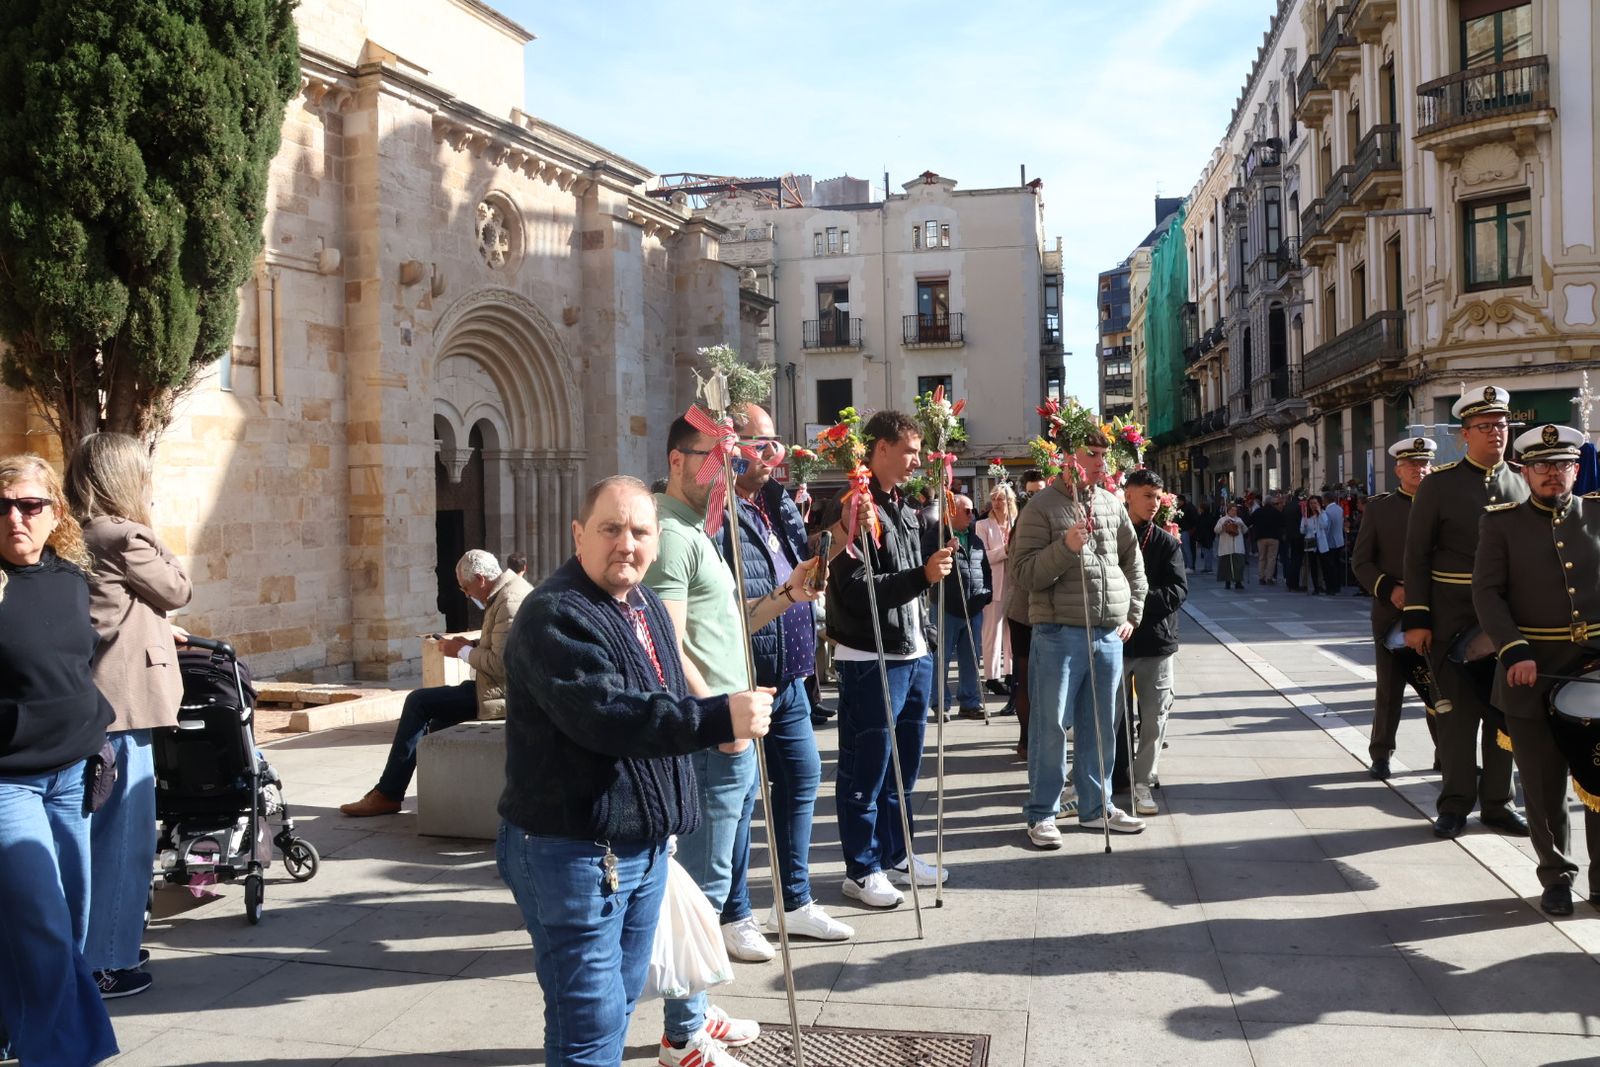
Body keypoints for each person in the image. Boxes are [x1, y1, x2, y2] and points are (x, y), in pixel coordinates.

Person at [497, 475, 774, 1067]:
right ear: (579, 535)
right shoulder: (555, 615)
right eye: (611, 528)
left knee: (611, 1009)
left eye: (640, 531)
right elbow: (609, 716)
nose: (627, 543)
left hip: (640, 852)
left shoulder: (642, 601)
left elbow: (664, 692)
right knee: (591, 1023)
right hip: (573, 853)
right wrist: (717, 717)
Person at [647, 414, 827, 1058]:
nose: (722, 469)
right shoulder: (670, 535)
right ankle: (683, 1036)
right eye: (710, 457)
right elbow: (665, 644)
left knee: (714, 881)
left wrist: (785, 596)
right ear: (675, 459)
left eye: (730, 458)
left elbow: (728, 625)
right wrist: (716, 717)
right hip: (711, 735)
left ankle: (696, 1007)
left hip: (735, 726)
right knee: (700, 887)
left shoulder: (700, 530)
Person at [713, 403, 855, 953]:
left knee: (800, 779)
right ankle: (734, 913)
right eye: (761, 444)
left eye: (777, 444)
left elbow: (802, 560)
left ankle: (794, 901)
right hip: (745, 674)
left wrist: (843, 531)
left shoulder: (775, 500)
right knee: (742, 797)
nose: (773, 456)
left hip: (791, 672)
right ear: (729, 447)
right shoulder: (717, 509)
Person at [0, 454, 120, 1066]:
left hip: (74, 771)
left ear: (55, 514)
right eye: (2, 506)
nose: (15, 518)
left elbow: (75, 660)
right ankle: (68, 1053)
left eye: (29, 505)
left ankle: (13, 1023)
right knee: (43, 919)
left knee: (68, 919)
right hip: (8, 783)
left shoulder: (71, 576)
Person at [67, 433, 193, 1000]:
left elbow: (120, 611)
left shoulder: (80, 534)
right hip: (124, 707)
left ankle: (107, 940)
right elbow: (179, 588)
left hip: (95, 704)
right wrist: (155, 537)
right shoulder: (125, 535)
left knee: (97, 836)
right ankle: (107, 961)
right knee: (124, 838)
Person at [825, 410, 954, 907]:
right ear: (880, 448)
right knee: (868, 766)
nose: (915, 462)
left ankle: (897, 855)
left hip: (912, 648)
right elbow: (855, 590)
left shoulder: (901, 504)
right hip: (870, 653)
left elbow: (914, 572)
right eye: (909, 452)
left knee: (905, 766)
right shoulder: (852, 507)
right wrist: (922, 577)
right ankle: (862, 867)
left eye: (920, 453)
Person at [1473, 423, 1600, 915]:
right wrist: (1513, 650)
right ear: (1524, 472)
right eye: (1542, 466)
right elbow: (1486, 593)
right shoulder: (1501, 523)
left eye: (1562, 464)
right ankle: (1557, 877)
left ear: (1575, 467)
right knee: (1544, 787)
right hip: (1531, 672)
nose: (1553, 474)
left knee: (1598, 781)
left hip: (1592, 673)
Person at [1012, 426, 1148, 848]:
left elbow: (1133, 561)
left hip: (1107, 633)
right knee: (1051, 726)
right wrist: (1065, 547)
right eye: (1090, 453)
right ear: (1069, 456)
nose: (1100, 461)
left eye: (1102, 454)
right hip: (1056, 633)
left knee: (1101, 726)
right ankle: (1042, 814)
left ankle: (1095, 806)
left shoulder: (1110, 502)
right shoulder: (1040, 506)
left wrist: (1133, 612)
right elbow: (1024, 573)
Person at [1403, 384, 1529, 840]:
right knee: (1455, 719)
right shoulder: (1438, 485)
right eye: (1485, 426)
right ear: (1464, 435)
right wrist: (1416, 619)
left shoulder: (1522, 480)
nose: (1496, 433)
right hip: (1451, 618)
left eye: (1502, 425)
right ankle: (1455, 802)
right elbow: (1416, 556)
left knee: (1505, 718)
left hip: (1508, 623)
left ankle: (1498, 803)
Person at [341, 550, 531, 816]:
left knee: (418, 702)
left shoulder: (509, 600)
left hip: (505, 695)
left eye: (467, 588)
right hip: (495, 689)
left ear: (480, 578)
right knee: (438, 725)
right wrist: (472, 645)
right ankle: (432, 798)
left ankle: (388, 793)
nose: (467, 595)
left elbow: (502, 664)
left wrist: (461, 652)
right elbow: (502, 648)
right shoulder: (506, 593)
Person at [1351, 438, 1441, 780]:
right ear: (1398, 469)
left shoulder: (1442, 506)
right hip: (1392, 614)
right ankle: (1381, 754)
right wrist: (1389, 588)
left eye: (1424, 463)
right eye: (1412, 464)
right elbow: (1360, 562)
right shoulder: (1380, 508)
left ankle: (1445, 753)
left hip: (1437, 610)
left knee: (1439, 687)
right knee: (1390, 689)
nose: (1419, 469)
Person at [1116, 469, 1187, 816]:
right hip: (1116, 640)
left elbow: (1178, 589)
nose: (1154, 504)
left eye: (1158, 497)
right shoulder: (1111, 534)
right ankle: (1100, 779)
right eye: (1147, 496)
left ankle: (1143, 781)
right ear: (1128, 494)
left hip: (1156, 641)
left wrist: (1138, 607)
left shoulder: (1166, 541)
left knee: (1154, 716)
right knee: (1109, 716)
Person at [939, 494, 993, 720]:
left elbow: (985, 569)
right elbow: (925, 562)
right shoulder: (937, 536)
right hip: (947, 607)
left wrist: (986, 594)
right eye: (967, 511)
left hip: (973, 606)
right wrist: (945, 550)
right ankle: (940, 703)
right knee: (941, 659)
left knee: (971, 657)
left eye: (972, 510)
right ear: (951, 512)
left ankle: (970, 702)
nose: (972, 515)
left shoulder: (975, 538)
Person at [975, 484, 1016, 697]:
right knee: (993, 631)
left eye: (1002, 498)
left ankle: (1010, 673)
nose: (998, 503)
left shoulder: (1016, 523)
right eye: (995, 499)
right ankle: (991, 676)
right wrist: (1005, 550)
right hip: (995, 585)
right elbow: (984, 556)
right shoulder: (983, 525)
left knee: (1012, 632)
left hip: (1016, 586)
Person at [1251, 493, 1285, 585]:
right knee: (1272, 558)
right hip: (1274, 538)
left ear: (1264, 502)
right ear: (1271, 503)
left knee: (1262, 558)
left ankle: (1261, 577)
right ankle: (1269, 577)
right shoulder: (1276, 512)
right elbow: (1282, 524)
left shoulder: (1258, 512)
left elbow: (1250, 521)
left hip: (1261, 538)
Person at [1214, 503, 1247, 590]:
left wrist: (1241, 524)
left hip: (1238, 546)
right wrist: (1223, 525)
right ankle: (1227, 582)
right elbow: (1216, 530)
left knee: (1239, 565)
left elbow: (1245, 530)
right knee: (1226, 565)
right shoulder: (1222, 519)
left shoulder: (1239, 519)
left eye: (1235, 510)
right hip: (1226, 546)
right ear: (1228, 511)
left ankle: (1238, 582)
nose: (1234, 512)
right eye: (1232, 510)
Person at [1301, 496, 1329, 594]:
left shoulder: (1323, 514)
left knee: (1324, 565)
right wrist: (1304, 525)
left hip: (1321, 542)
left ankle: (1326, 586)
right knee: (1313, 566)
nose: (1313, 505)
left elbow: (1324, 525)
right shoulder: (1306, 516)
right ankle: (1316, 587)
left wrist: (1320, 512)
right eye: (1311, 503)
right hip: (1311, 542)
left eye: (1315, 503)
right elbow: (1302, 531)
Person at [1321, 492, 1346, 594]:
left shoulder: (1327, 511)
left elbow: (1327, 527)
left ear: (1326, 500)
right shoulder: (1339, 509)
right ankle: (1337, 586)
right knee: (1337, 564)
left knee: (1329, 566)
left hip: (1330, 541)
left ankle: (1331, 587)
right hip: (1339, 540)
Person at [1176, 493, 1199, 571]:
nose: (1177, 502)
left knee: (1187, 549)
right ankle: (1187, 565)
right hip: (1183, 530)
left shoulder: (1188, 508)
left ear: (1182, 501)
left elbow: (1193, 520)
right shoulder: (1182, 508)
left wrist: (1192, 529)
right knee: (1184, 549)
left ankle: (1189, 566)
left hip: (1186, 530)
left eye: (1178, 500)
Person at [1193, 500, 1216, 573]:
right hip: (1208, 537)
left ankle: (1208, 568)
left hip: (1206, 537)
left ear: (1203, 509)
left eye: (1200, 508)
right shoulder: (1209, 516)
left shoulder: (1203, 517)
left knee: (1207, 553)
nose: (1199, 509)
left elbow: (1202, 527)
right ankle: (1207, 567)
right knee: (1207, 553)